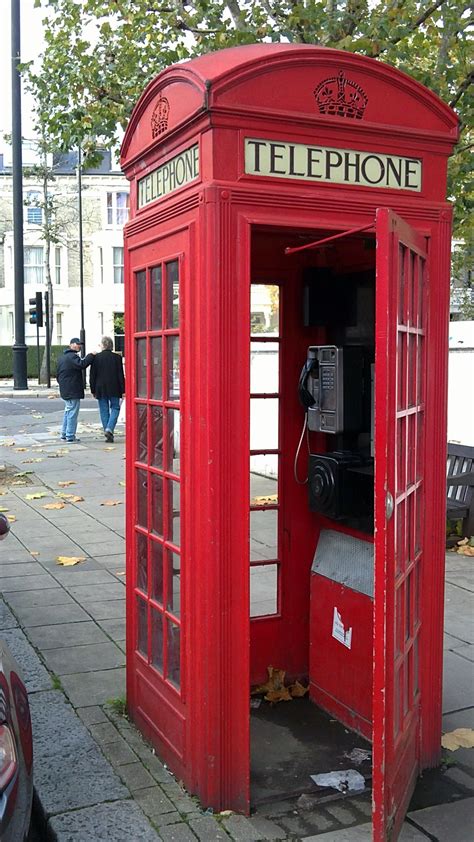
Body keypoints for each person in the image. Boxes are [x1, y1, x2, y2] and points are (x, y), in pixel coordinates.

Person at [56, 338, 95, 443]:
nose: (79, 346)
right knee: (72, 412)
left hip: (65, 389)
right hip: (72, 389)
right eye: (77, 344)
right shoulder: (72, 357)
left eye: (80, 344)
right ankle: (70, 435)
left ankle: (64, 433)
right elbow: (82, 364)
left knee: (68, 411)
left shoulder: (62, 358)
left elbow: (58, 375)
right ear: (71, 345)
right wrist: (91, 355)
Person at [90, 336, 125, 443]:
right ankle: (109, 428)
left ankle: (107, 430)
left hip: (100, 388)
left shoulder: (96, 358)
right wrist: (123, 389)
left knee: (103, 410)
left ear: (103, 345)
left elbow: (93, 375)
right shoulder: (117, 358)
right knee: (115, 408)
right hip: (114, 387)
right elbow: (120, 375)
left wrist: (93, 390)